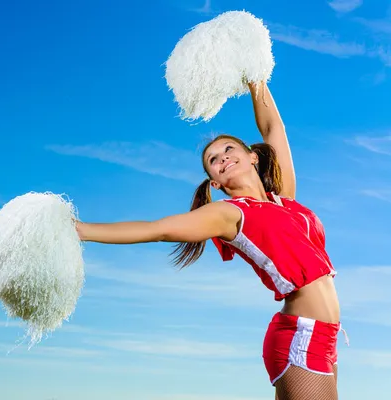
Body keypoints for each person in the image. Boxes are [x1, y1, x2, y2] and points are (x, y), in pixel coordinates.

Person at [75, 81, 345, 400]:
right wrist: (81, 230)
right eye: (213, 160)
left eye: (228, 149)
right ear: (215, 182)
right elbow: (158, 229)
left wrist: (255, 77)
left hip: (327, 337)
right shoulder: (229, 214)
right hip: (300, 336)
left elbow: (273, 126)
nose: (223, 158)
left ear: (252, 156)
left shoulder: (284, 199)